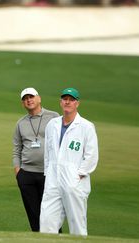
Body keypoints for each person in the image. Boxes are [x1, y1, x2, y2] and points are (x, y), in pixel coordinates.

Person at [40, 87, 99, 236]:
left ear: (77, 103)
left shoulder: (86, 126)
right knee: (47, 221)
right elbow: (47, 152)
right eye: (65, 99)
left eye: (71, 100)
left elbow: (91, 155)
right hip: (53, 179)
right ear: (60, 102)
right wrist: (48, 173)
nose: (68, 102)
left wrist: (78, 175)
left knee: (77, 225)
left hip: (74, 182)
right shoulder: (52, 125)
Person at [12, 87, 59, 232]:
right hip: (26, 174)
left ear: (39, 98)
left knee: (51, 214)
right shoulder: (21, 123)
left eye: (31, 97)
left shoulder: (54, 117)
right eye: (25, 99)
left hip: (48, 173)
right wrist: (18, 172)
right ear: (23, 103)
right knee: (33, 214)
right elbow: (16, 149)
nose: (28, 100)